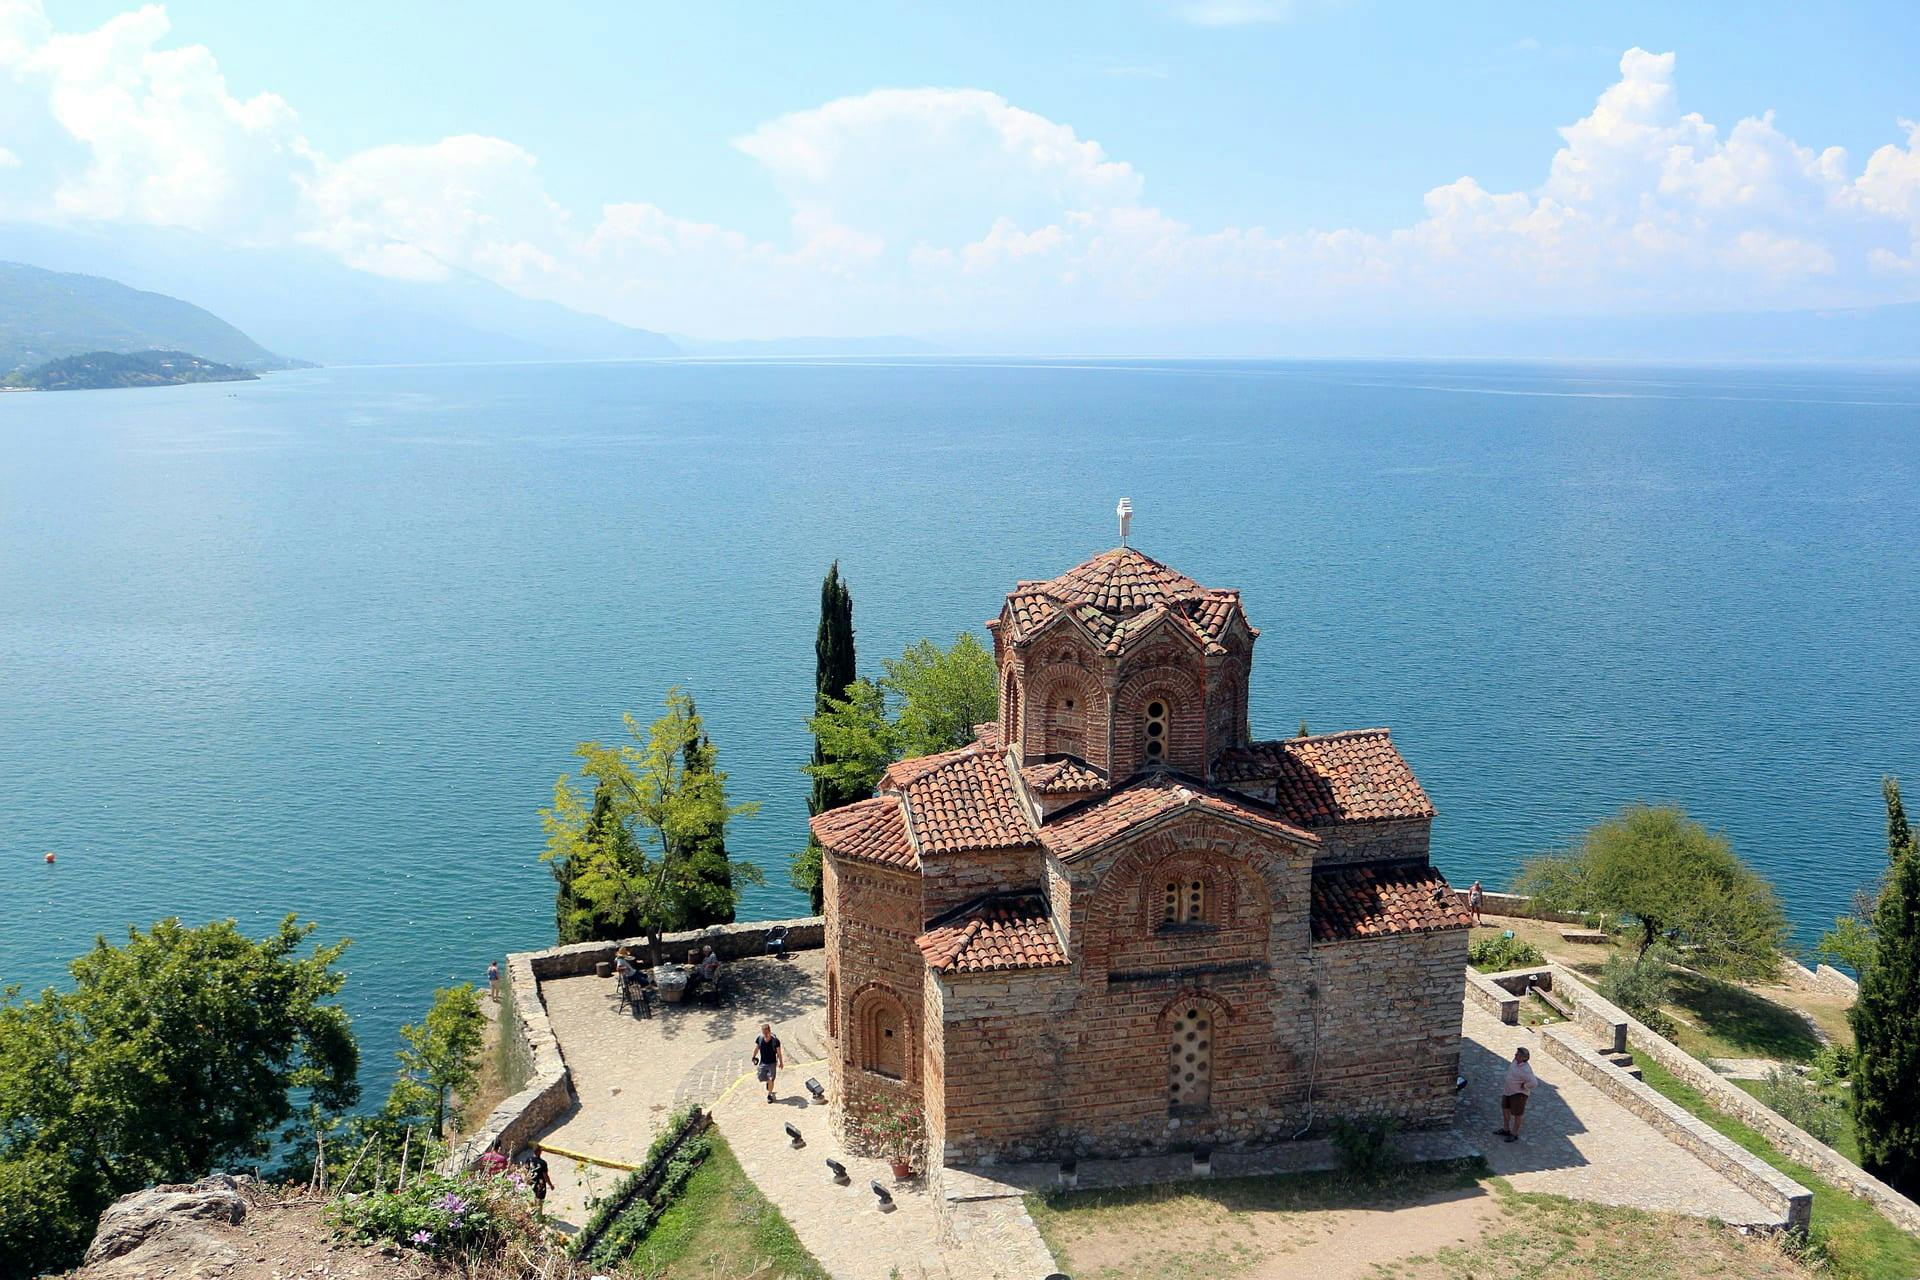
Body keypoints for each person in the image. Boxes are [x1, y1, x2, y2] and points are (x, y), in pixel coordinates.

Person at [1496, 1046, 1537, 1143]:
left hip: (1518, 1094)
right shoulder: (1515, 1061)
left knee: (1517, 1114)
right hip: (1508, 1091)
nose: (1515, 1055)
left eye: (1517, 1054)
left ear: (1523, 1058)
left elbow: (1534, 1083)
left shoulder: (1526, 1070)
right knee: (1505, 1109)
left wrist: (1525, 1086)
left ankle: (1514, 1133)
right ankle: (1506, 1129)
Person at [753, 1022, 785, 1103]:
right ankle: (768, 1083)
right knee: (760, 1077)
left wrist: (781, 1062)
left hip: (772, 1063)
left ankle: (769, 1094)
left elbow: (779, 1053)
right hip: (763, 1063)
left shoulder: (775, 1041)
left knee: (770, 1079)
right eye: (764, 1033)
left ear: (770, 1031)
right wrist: (753, 1057)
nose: (765, 1035)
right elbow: (757, 1048)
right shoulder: (760, 1039)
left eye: (766, 1033)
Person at [527, 1147, 554, 1214]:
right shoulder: (542, 1163)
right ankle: (538, 1215)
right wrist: (550, 1185)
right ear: (539, 1152)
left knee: (533, 1196)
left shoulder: (529, 1159)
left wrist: (527, 1180)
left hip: (531, 1182)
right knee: (539, 1200)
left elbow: (526, 1169)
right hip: (540, 1184)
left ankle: (532, 1210)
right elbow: (545, 1176)